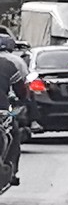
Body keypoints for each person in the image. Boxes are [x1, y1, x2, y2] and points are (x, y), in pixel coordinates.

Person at [0, 34, 27, 186]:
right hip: (2, 111)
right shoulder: (8, 65)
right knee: (14, 133)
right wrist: (23, 103)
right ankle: (12, 169)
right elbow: (22, 92)